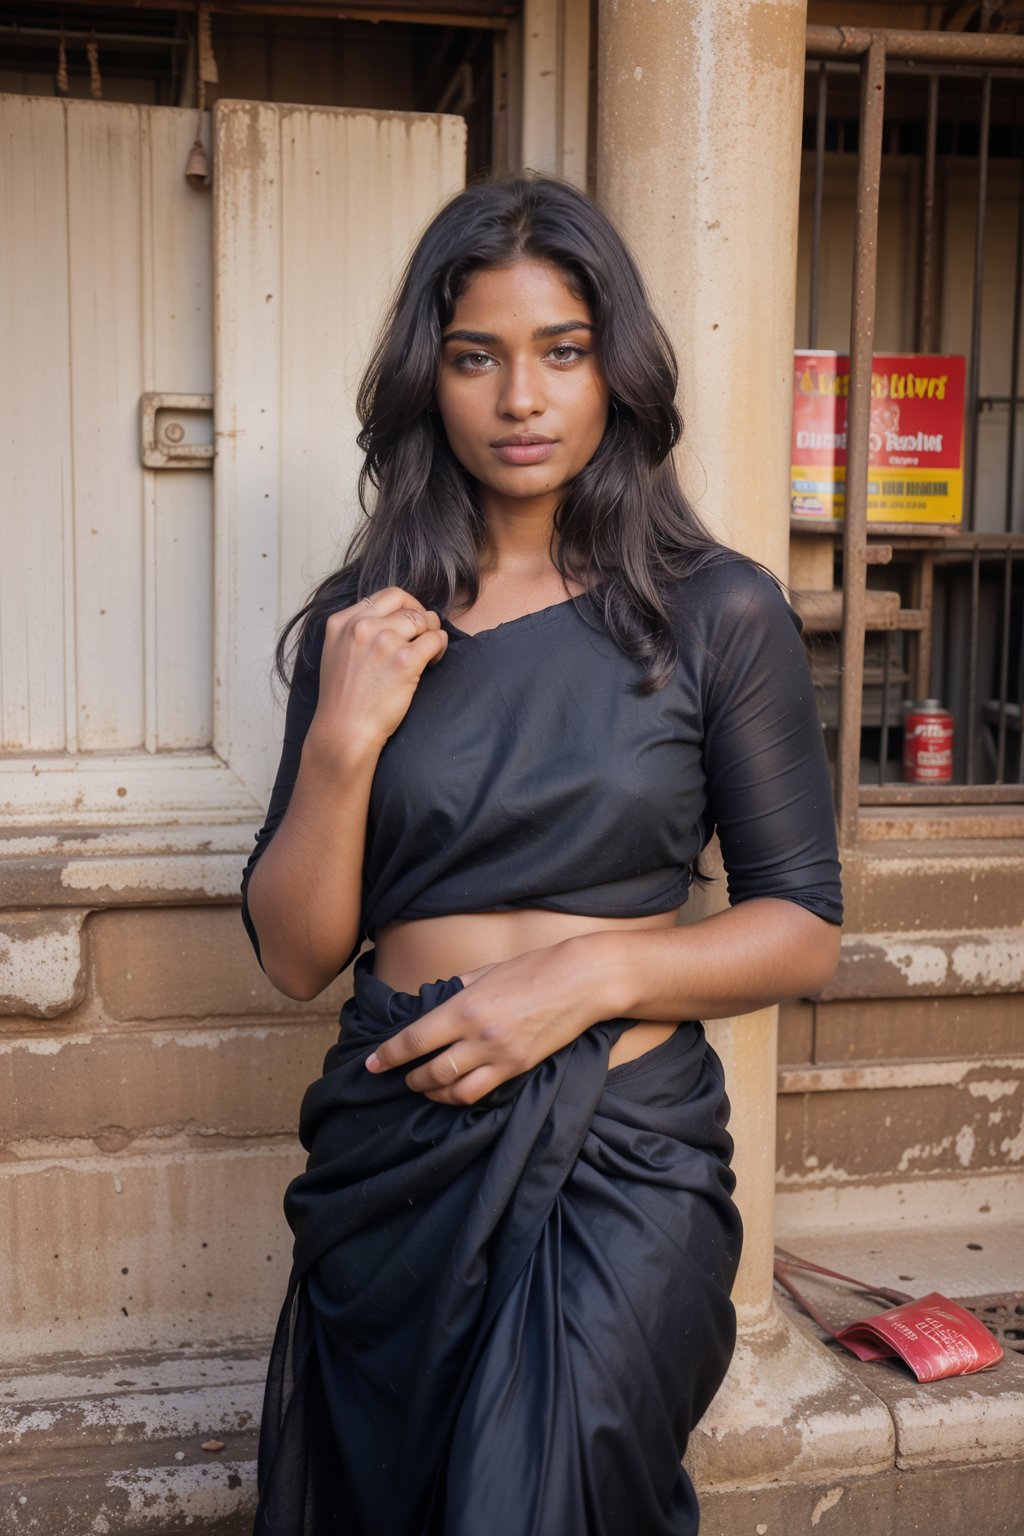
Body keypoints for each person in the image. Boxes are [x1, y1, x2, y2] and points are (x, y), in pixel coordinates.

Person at [240, 172, 843, 1536]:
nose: (523, 398)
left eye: (562, 353)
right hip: (398, 1162)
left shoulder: (717, 612)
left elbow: (802, 922)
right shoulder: (366, 623)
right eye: (478, 358)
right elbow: (292, 956)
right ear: (430, 379)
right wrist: (344, 741)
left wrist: (578, 981)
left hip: (620, 1165)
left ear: (614, 371)